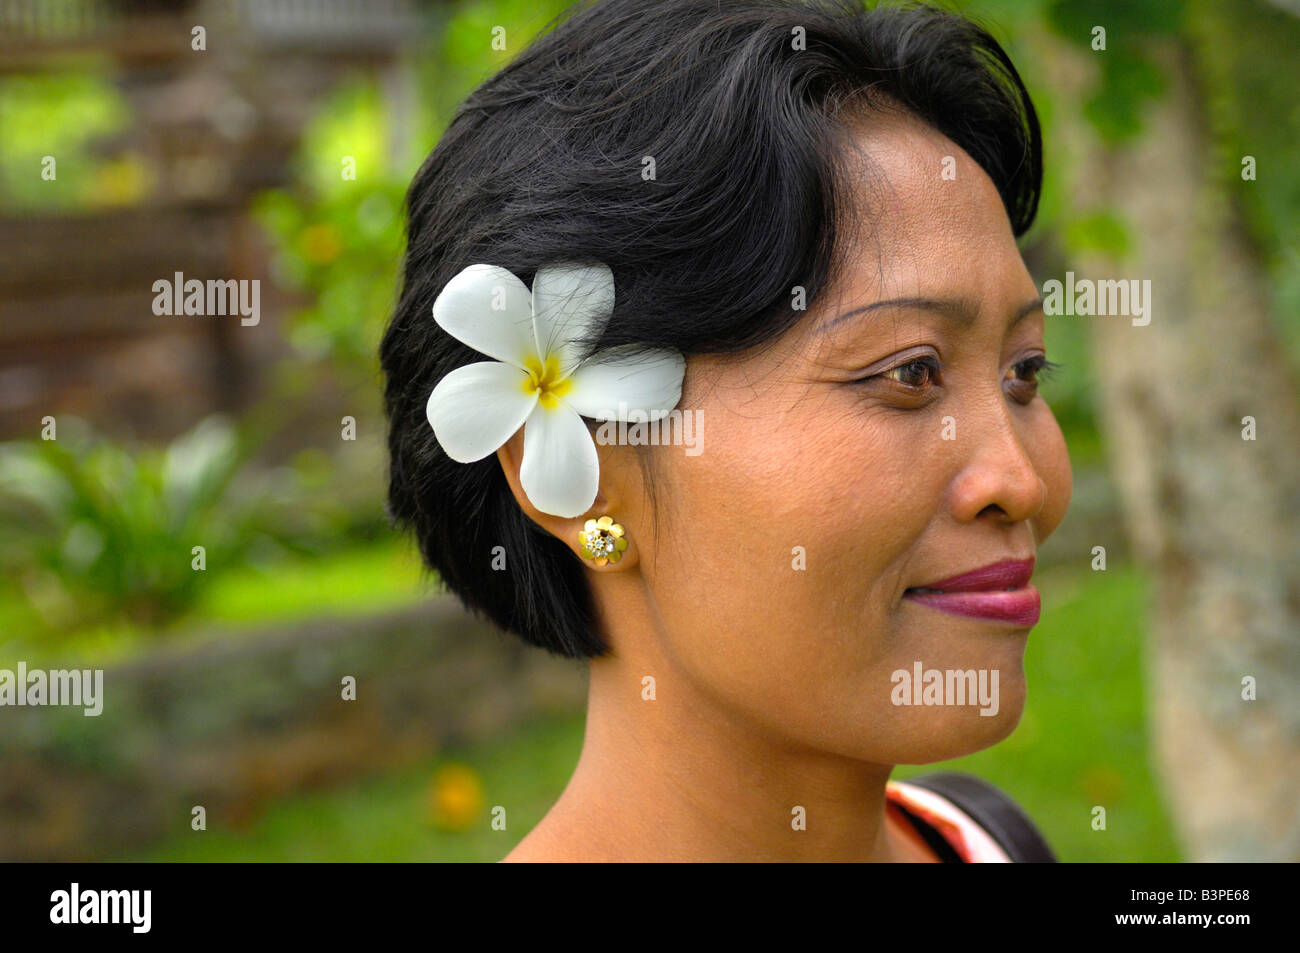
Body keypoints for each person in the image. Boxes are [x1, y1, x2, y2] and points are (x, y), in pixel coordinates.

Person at [381, 0, 1071, 861]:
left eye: (1024, 372)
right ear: (582, 472)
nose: (1022, 479)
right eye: (910, 372)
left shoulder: (988, 840)